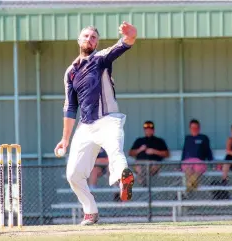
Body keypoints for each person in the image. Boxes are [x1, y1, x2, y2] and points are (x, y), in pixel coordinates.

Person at [54, 22, 137, 225]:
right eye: (86, 36)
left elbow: (122, 46)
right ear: (79, 40)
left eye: (93, 37)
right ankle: (90, 212)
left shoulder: (100, 58)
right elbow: (70, 107)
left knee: (115, 150)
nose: (89, 39)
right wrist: (65, 139)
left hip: (109, 119)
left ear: (97, 42)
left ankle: (123, 179)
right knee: (73, 174)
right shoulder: (70, 72)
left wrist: (131, 36)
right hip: (86, 127)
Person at [129, 121, 170, 186]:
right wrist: (140, 149)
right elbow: (130, 153)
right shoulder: (139, 140)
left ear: (153, 130)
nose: (148, 131)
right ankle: (145, 184)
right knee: (138, 167)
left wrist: (154, 151)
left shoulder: (159, 141)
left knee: (148, 168)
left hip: (154, 163)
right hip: (140, 163)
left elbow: (167, 154)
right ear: (144, 131)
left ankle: (144, 183)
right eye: (146, 130)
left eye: (150, 130)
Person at [181, 119, 213, 191]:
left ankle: (189, 186)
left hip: (199, 160)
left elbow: (208, 150)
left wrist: (211, 161)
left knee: (197, 170)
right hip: (188, 160)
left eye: (196, 128)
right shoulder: (187, 138)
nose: (194, 129)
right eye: (192, 128)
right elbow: (184, 151)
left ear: (199, 128)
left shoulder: (204, 138)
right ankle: (192, 185)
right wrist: (180, 162)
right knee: (188, 170)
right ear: (190, 128)